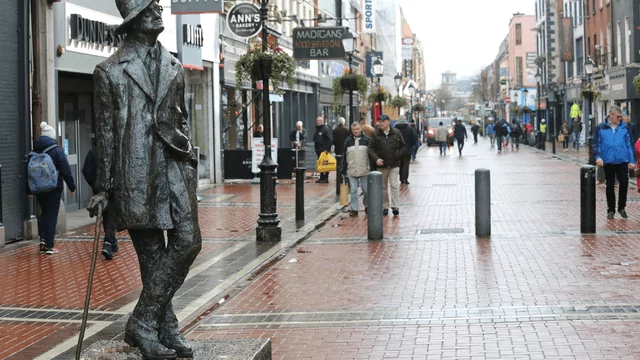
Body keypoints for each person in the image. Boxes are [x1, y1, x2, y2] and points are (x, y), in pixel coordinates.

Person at [88, 1, 203, 357]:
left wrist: (189, 155)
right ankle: (165, 327)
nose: (158, 12)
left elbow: (179, 116)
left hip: (174, 164)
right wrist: (103, 188)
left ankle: (141, 321)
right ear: (133, 21)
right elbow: (105, 133)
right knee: (152, 256)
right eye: (149, 8)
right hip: (135, 172)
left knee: (189, 241)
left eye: (158, 6)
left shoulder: (172, 64)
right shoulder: (109, 71)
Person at [27, 122, 76, 255]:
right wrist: (72, 187)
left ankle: (43, 240)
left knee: (44, 213)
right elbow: (65, 170)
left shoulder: (34, 151)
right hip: (54, 188)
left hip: (38, 189)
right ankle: (49, 245)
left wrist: (29, 190)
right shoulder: (56, 150)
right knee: (51, 215)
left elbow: (28, 171)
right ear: (52, 136)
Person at [593, 105, 636, 219]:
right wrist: (597, 157)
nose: (620, 118)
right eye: (618, 116)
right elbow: (595, 144)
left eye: (621, 116)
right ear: (611, 115)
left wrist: (632, 160)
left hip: (622, 161)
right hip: (608, 161)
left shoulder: (625, 128)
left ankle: (621, 207)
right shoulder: (600, 128)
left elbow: (630, 145)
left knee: (624, 183)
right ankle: (611, 209)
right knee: (610, 186)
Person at [82, 148, 118, 260]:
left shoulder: (94, 151)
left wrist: (94, 184)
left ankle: (112, 242)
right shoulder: (115, 151)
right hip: (112, 189)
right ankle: (108, 242)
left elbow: (86, 170)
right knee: (111, 216)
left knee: (107, 215)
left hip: (101, 189)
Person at [368, 114, 405, 216]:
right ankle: (385, 206)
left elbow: (403, 146)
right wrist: (376, 159)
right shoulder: (376, 135)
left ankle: (395, 206)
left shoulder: (396, 133)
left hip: (394, 164)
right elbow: (370, 148)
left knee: (394, 185)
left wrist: (398, 155)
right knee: (383, 187)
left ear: (388, 122)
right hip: (382, 165)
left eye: (382, 121)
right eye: (379, 121)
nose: (381, 123)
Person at [342, 122, 370, 216]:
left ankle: (367, 205)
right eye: (354, 129)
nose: (355, 131)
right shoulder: (347, 141)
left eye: (357, 129)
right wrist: (343, 170)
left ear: (361, 129)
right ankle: (354, 209)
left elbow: (371, 155)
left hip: (364, 169)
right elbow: (344, 156)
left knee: (365, 190)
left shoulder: (367, 140)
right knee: (353, 190)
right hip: (351, 169)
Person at [394, 118, 418, 185]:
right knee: (406, 165)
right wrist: (411, 145)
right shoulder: (409, 128)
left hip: (398, 150)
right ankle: (404, 179)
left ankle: (401, 179)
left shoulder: (395, 129)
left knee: (400, 164)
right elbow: (415, 138)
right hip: (407, 149)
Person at [313, 116, 332, 183]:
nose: (318, 122)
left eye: (319, 121)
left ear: (322, 121)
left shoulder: (325, 129)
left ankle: (326, 177)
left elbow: (330, 139)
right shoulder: (317, 129)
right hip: (318, 150)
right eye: (317, 121)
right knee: (320, 164)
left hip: (324, 150)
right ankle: (321, 177)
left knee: (325, 164)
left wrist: (327, 149)